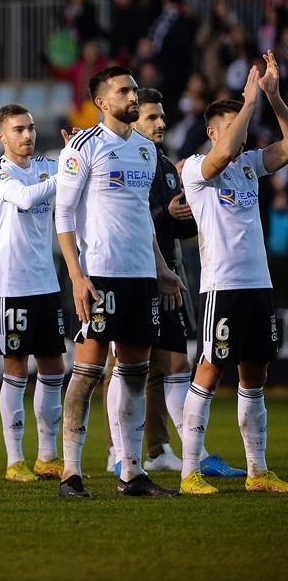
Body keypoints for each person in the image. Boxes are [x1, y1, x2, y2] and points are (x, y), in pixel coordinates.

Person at [55, 65, 185, 498]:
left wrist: (163, 268)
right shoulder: (82, 147)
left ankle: (130, 472)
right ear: (102, 102)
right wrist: (76, 275)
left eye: (133, 89)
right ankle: (70, 473)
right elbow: (65, 215)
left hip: (141, 276)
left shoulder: (146, 152)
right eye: (124, 91)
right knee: (88, 371)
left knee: (133, 373)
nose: (133, 96)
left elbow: (139, 219)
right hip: (100, 276)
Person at [104, 88, 244, 478]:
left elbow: (172, 224)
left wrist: (184, 215)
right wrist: (164, 213)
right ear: (133, 120)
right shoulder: (120, 159)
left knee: (174, 362)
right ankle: (119, 452)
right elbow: (120, 216)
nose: (162, 123)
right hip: (129, 273)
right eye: (152, 117)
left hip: (166, 271)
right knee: (126, 364)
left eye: (162, 116)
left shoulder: (164, 164)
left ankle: (184, 453)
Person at [179, 53, 288, 495]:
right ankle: (189, 472)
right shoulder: (194, 169)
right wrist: (248, 104)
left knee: (255, 374)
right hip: (222, 286)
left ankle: (257, 471)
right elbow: (223, 152)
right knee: (210, 370)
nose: (240, 134)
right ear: (212, 132)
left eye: (242, 126)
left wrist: (274, 99)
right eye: (232, 126)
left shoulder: (248, 166)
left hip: (258, 284)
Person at [0, 104, 66, 482]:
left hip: (47, 281)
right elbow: (28, 199)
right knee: (15, 367)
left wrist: (70, 165)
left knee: (53, 367)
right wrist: (70, 172)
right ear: (1, 136)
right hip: (12, 284)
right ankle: (15, 459)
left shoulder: (48, 167)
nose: (27, 135)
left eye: (30, 128)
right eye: (18, 130)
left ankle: (47, 456)